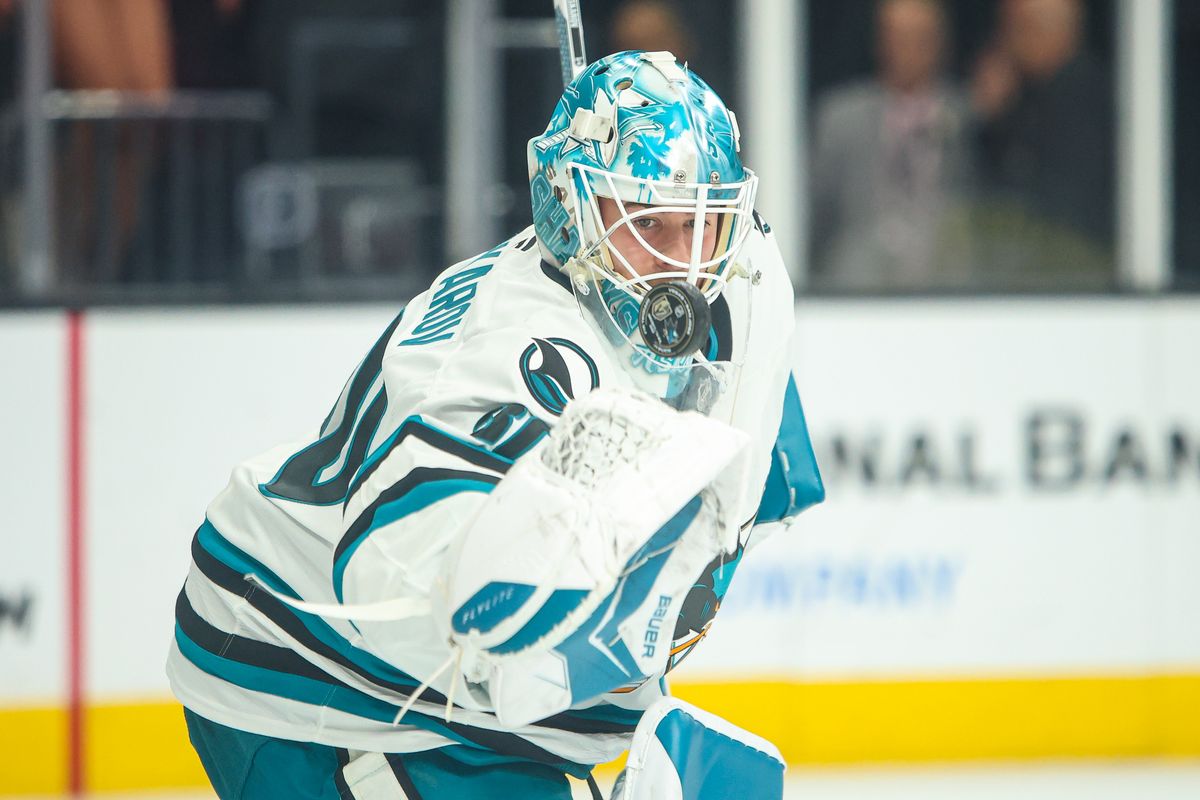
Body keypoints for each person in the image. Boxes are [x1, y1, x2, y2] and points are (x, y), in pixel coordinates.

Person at [167, 50, 823, 799]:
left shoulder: (741, 278)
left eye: (700, 223)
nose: (682, 263)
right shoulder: (516, 352)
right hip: (328, 678)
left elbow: (747, 458)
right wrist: (559, 591)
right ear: (569, 209)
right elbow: (401, 567)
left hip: (457, 706)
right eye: (648, 223)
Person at [810, 0, 974, 291]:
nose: (907, 49)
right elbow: (816, 216)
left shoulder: (968, 116)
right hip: (853, 294)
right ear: (879, 41)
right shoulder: (841, 118)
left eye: (919, 37)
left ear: (941, 43)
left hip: (949, 294)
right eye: (896, 36)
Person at [971, 0, 1113, 286]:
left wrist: (997, 122)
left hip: (1067, 273)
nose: (1006, 44)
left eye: (1015, 30)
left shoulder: (1077, 97)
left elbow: (1040, 199)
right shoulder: (1034, 96)